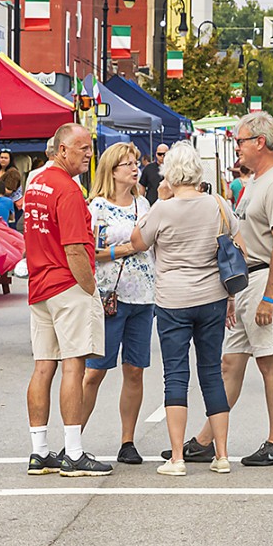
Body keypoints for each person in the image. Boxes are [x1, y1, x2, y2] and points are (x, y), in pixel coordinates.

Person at [188, 111, 273, 467]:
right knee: (230, 364)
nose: (237, 147)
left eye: (240, 141)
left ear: (259, 142)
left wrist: (269, 295)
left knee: (268, 361)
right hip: (247, 280)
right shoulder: (255, 181)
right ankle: (207, 439)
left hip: (265, 278)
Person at [129, 142, 234, 476]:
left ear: (169, 174)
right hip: (213, 297)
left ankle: (177, 458)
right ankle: (221, 454)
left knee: (175, 374)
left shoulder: (163, 209)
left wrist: (160, 199)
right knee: (211, 374)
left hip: (173, 300)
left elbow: (137, 241)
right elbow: (236, 241)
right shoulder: (218, 204)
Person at [22, 123, 108, 478]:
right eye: (81, 148)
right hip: (67, 283)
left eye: (90, 148)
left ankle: (39, 450)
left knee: (44, 366)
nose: (88, 154)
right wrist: (89, 288)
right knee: (74, 365)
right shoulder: (68, 190)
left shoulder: (36, 182)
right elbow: (74, 247)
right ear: (61, 150)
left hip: (40, 283)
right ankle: (73, 451)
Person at [82, 143, 155, 465]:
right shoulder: (96, 207)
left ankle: (128, 440)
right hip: (109, 295)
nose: (134, 168)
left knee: (135, 370)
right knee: (95, 372)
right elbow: (88, 252)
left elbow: (153, 243)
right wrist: (124, 250)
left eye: (135, 162)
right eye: (126, 164)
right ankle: (74, 438)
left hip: (144, 295)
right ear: (111, 170)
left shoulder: (144, 203)